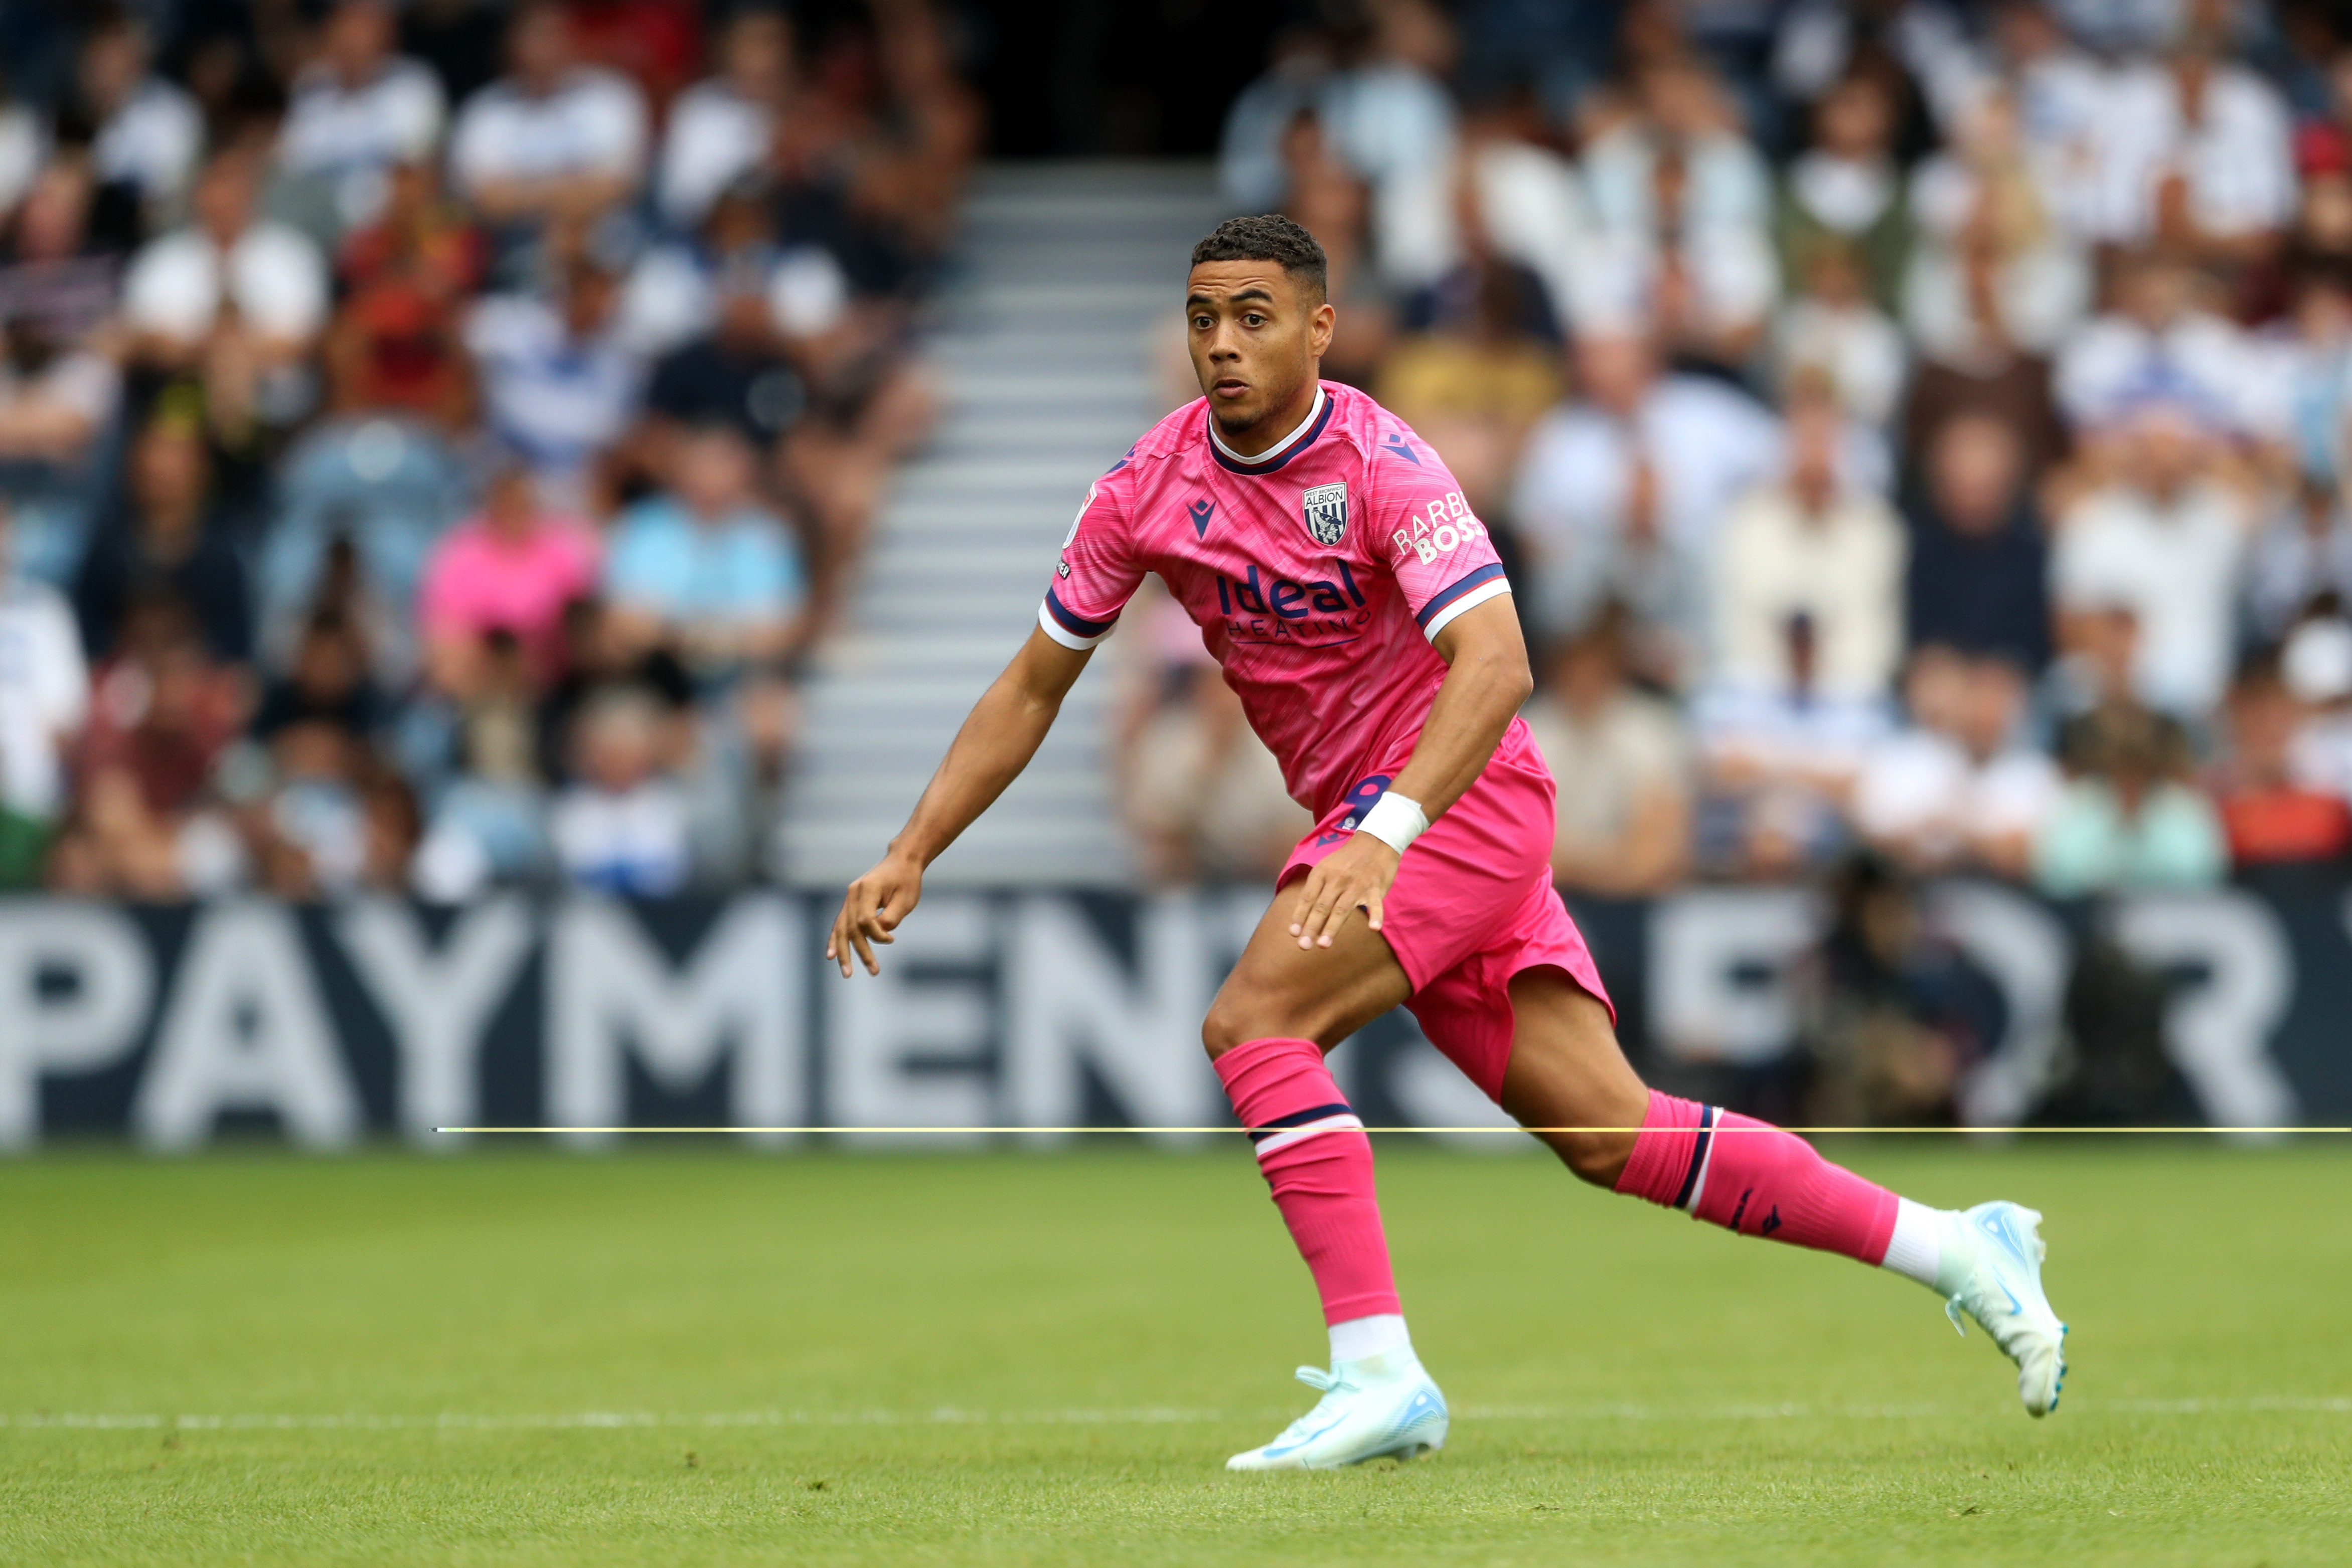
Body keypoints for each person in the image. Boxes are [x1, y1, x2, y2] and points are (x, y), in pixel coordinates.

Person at [827, 215, 2069, 1474]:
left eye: (1252, 316)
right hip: (1384, 820)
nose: (1221, 344)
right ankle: (1959, 1247)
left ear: (1320, 327)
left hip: (1453, 801)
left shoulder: (1381, 463)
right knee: (1609, 1134)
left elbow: (1499, 663)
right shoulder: (1145, 487)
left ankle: (1378, 1370)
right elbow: (1035, 684)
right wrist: (915, 844)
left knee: (1254, 1024)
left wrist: (1386, 828)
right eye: (1203, 317)